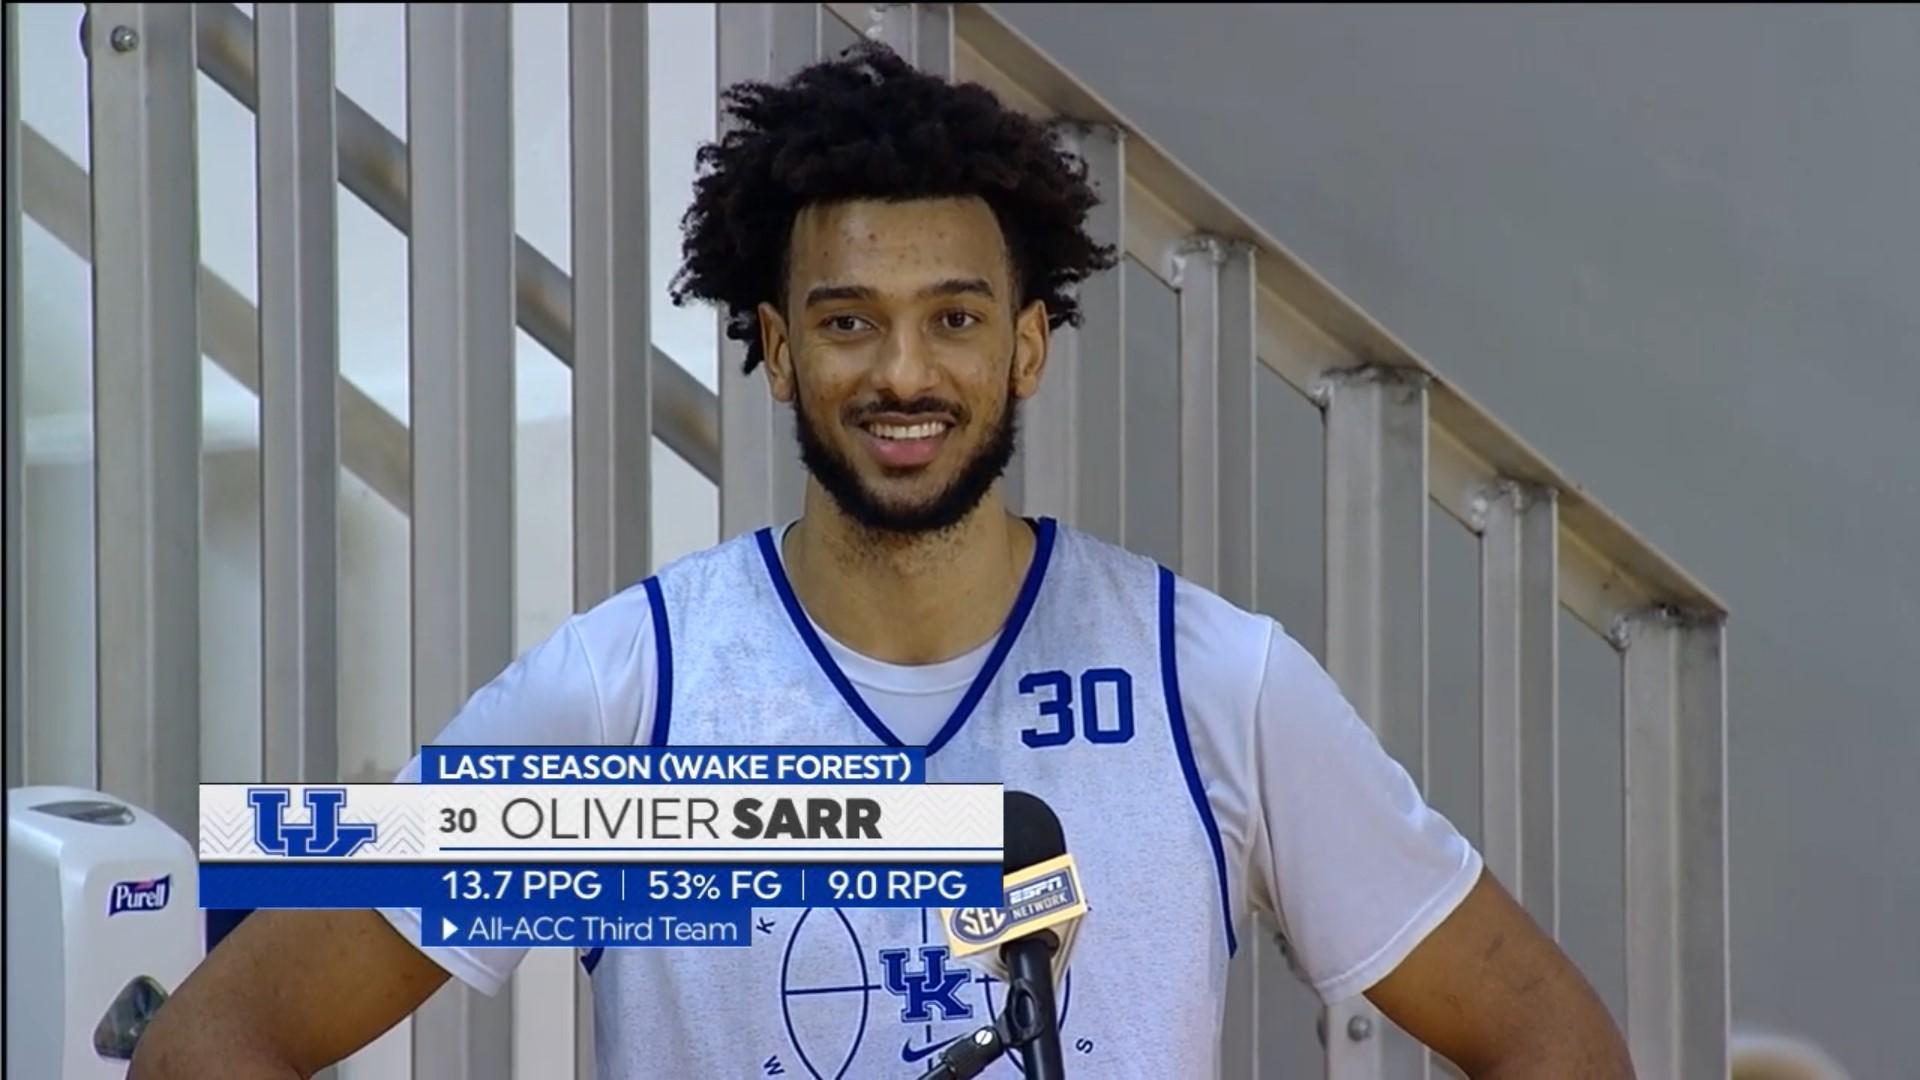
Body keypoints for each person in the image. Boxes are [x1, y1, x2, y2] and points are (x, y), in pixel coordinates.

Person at [132, 41, 1631, 1080]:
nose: (903, 372)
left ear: (1028, 348)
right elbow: (215, 1041)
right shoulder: (625, 694)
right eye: (848, 321)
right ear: (777, 351)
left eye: (955, 319)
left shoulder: (1214, 682)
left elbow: (1554, 1041)